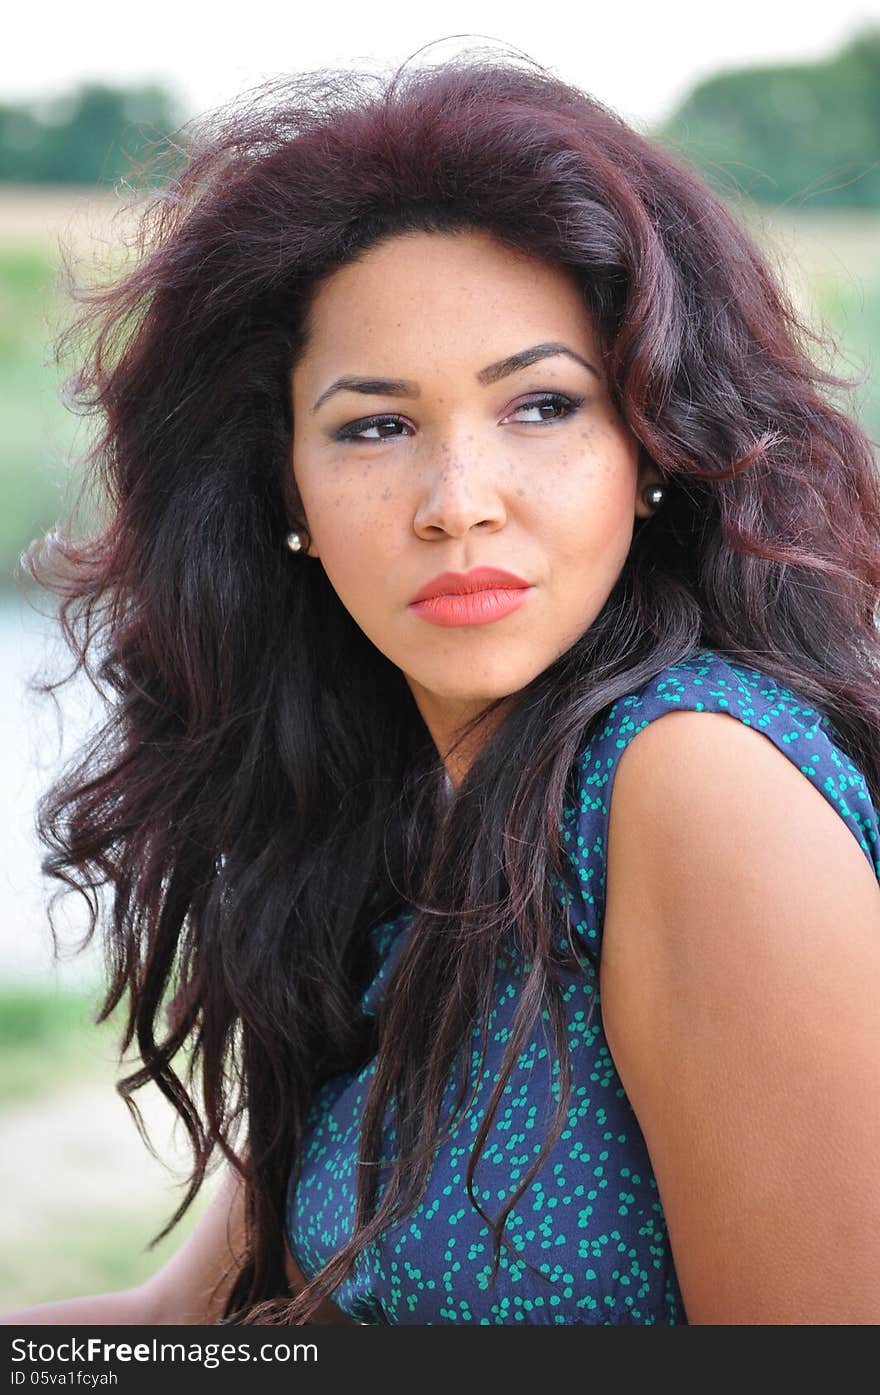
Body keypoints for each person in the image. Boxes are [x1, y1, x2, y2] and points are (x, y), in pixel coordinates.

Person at [5, 45, 880, 1328]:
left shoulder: (694, 785)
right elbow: (199, 1333)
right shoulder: (409, 828)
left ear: (652, 447)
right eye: (375, 426)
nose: (458, 504)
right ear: (284, 490)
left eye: (540, 407)